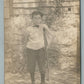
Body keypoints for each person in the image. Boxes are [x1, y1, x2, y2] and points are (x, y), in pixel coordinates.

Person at [24, 11, 55, 84]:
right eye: (35, 18)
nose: (37, 20)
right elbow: (25, 39)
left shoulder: (43, 26)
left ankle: (42, 81)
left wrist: (47, 45)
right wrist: (28, 46)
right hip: (31, 49)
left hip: (41, 49)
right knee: (31, 66)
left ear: (41, 19)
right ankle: (33, 81)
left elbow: (51, 35)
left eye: (39, 18)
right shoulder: (28, 29)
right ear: (32, 19)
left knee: (42, 66)